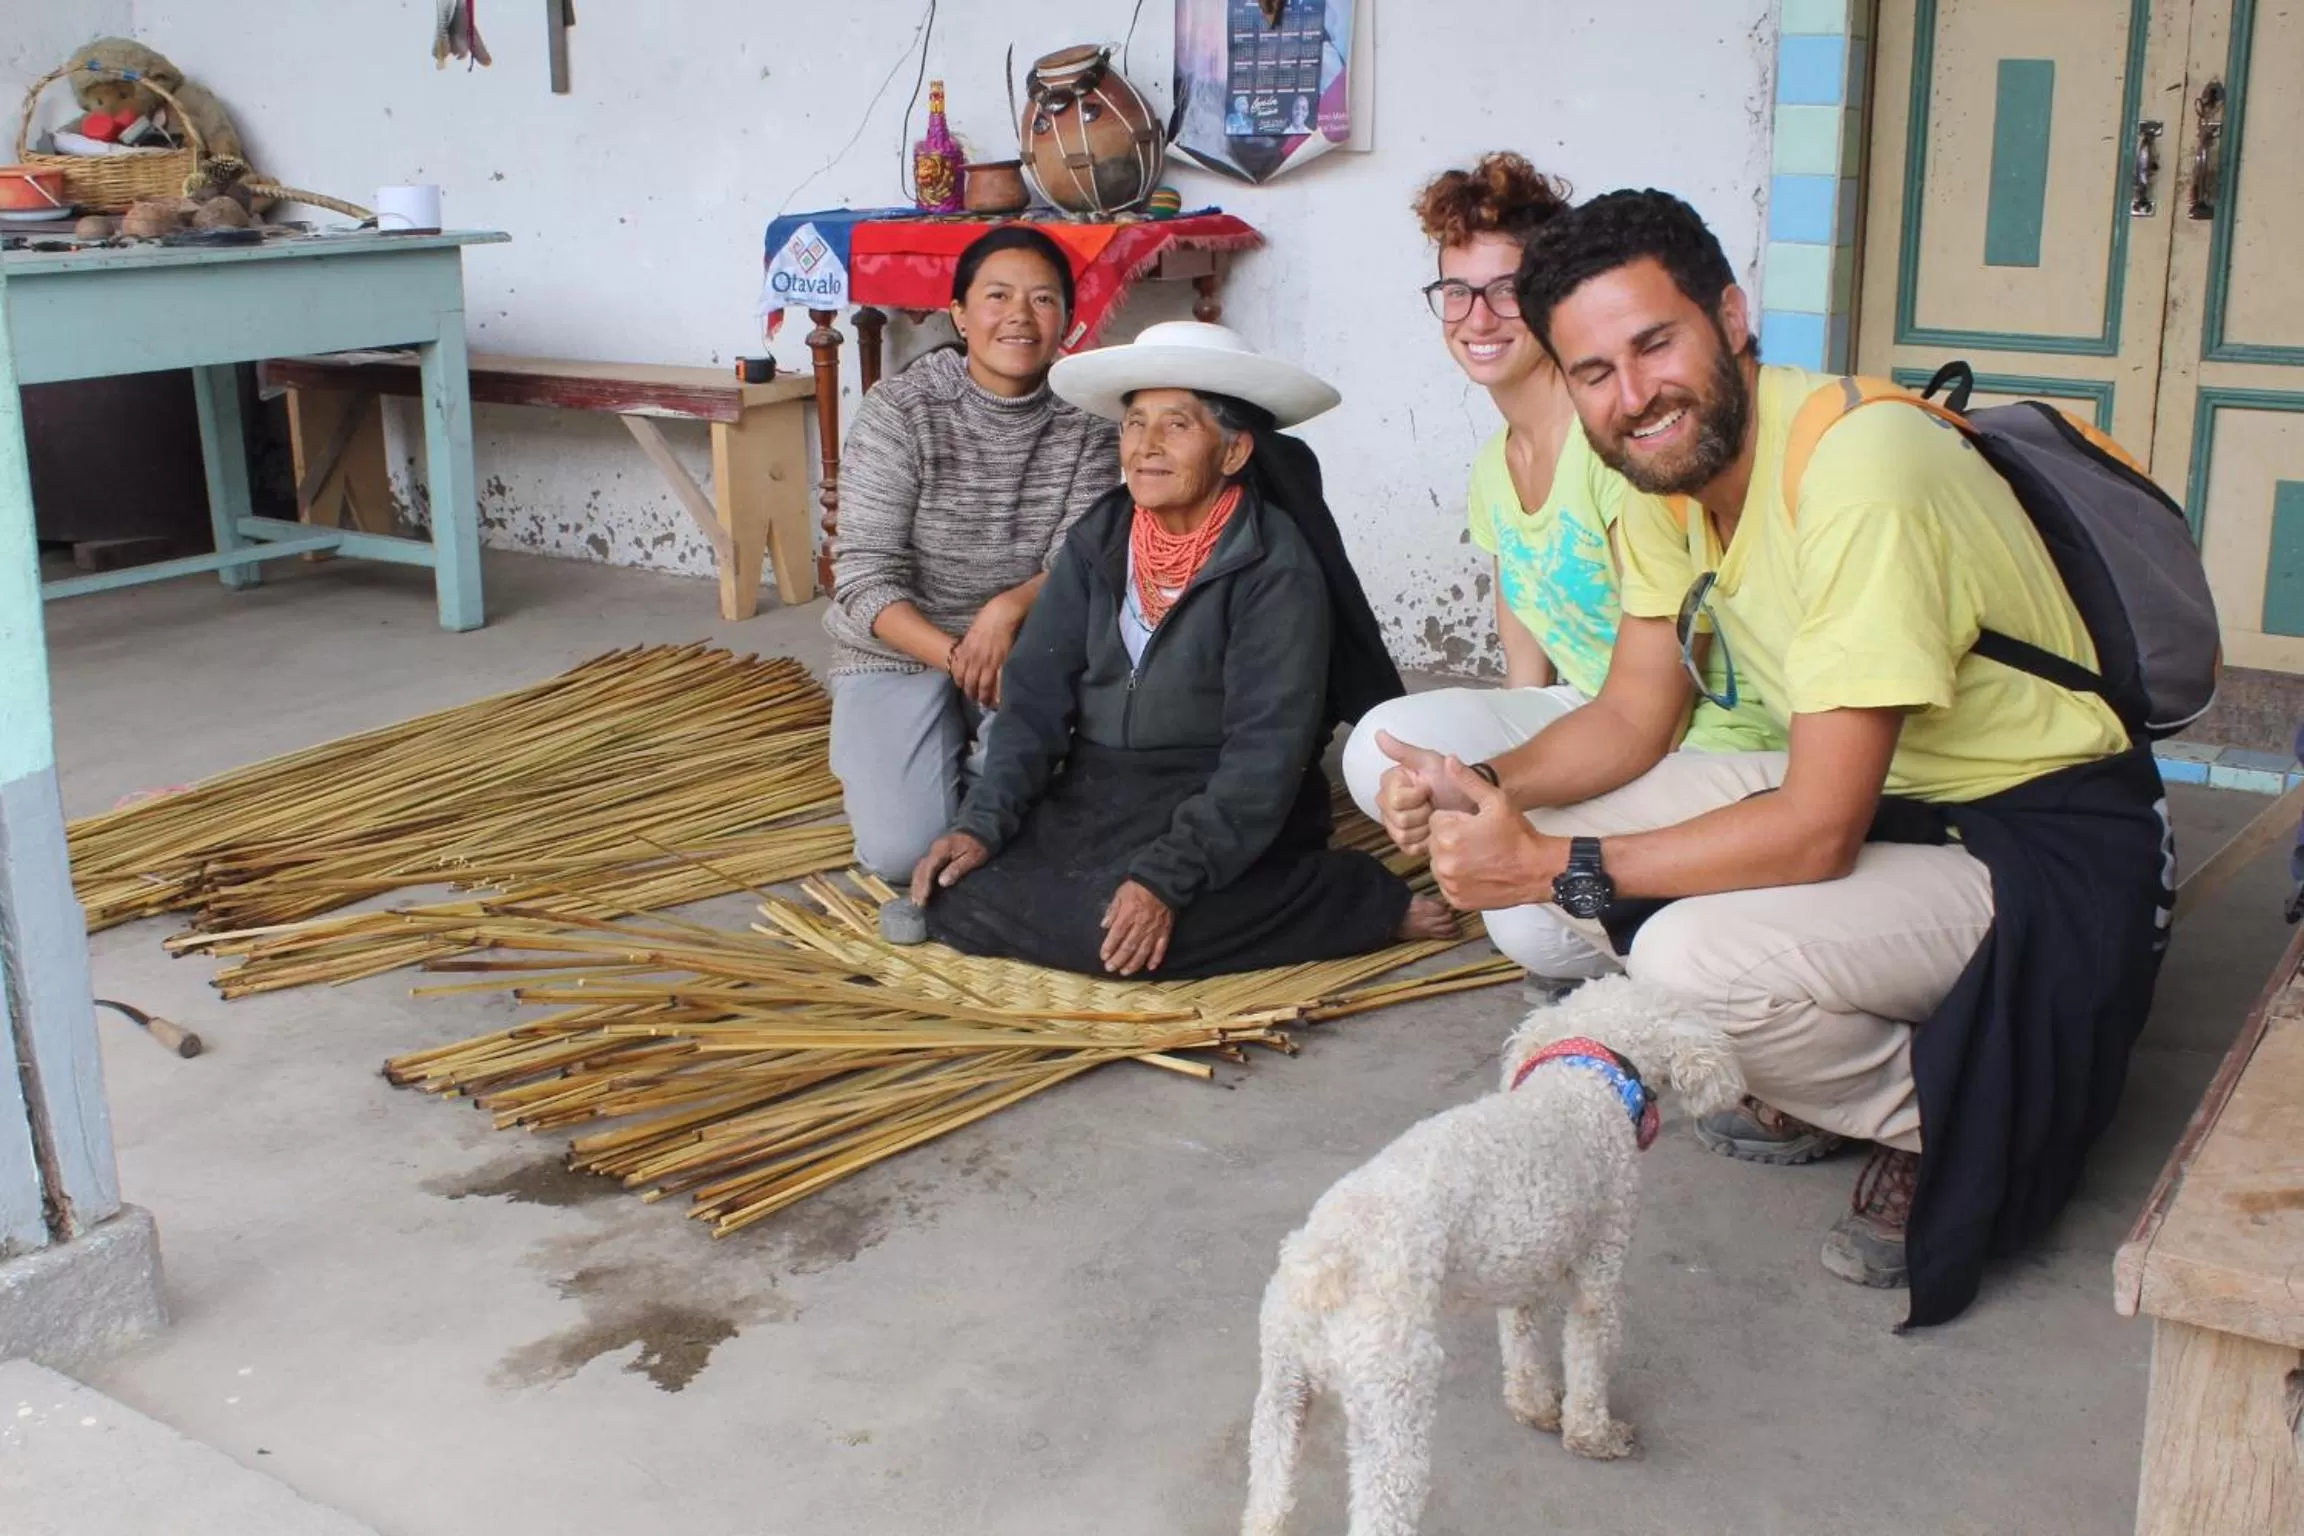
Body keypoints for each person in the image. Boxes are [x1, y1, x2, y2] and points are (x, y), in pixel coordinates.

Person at [1373, 190, 2170, 1324]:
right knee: (1550, 912)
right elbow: (1634, 719)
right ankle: (1834, 1046)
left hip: (2041, 833)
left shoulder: (1859, 470)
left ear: (1732, 318)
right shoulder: (1667, 476)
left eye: (1656, 343)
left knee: (1690, 959)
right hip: (1902, 802)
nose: (1633, 395)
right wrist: (1491, 795)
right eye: (1593, 371)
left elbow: (1816, 826)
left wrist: (1550, 859)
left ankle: (1952, 1109)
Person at [1340, 153, 1777, 984]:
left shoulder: (1618, 443)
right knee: (1380, 751)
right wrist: (1494, 782)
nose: (1479, 316)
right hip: (1588, 709)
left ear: (1548, 303)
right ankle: (1633, 895)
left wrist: (1521, 803)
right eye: (1455, 292)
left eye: (1506, 290)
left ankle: (1696, 906)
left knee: (1526, 915)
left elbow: (1661, 694)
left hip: (1694, 730)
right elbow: (1524, 655)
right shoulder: (1492, 465)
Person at [909, 322, 1454, 978]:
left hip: (1227, 793)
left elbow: (1265, 754)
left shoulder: (1272, 563)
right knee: (956, 895)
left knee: (1112, 939)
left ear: (1233, 452)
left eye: (1177, 425)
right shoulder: (1098, 540)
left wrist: (1166, 879)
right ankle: (1180, 902)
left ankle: (1345, 898)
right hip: (1100, 792)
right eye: (1135, 424)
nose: (1147, 448)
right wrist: (982, 824)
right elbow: (1033, 706)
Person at [823, 227, 1121, 879]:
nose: (1019, 315)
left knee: (1036, 824)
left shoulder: (1090, 422)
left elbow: (1079, 561)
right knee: (901, 855)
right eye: (997, 296)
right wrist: (959, 659)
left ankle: (977, 747)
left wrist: (1008, 608)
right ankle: (939, 740)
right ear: (959, 313)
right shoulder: (902, 409)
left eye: (1043, 299)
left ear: (1067, 319)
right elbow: (863, 577)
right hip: (902, 649)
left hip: (1026, 647)